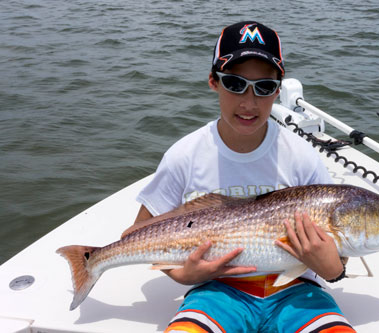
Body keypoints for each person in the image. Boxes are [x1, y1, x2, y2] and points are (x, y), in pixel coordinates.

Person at [134, 21, 355, 333]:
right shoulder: (185, 155)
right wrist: (184, 276)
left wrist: (334, 270)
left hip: (298, 292)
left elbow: (338, 253)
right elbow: (141, 233)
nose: (249, 103)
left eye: (264, 88)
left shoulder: (302, 155)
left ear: (278, 90)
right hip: (215, 291)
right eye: (235, 84)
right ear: (213, 81)